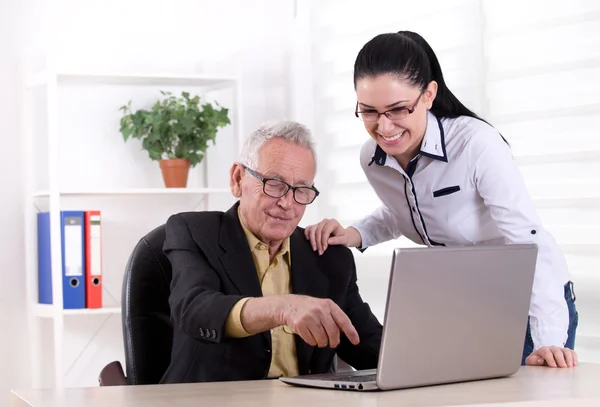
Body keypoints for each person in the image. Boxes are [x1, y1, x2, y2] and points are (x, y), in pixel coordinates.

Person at [304, 31, 578, 369]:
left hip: (525, 301)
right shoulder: (373, 158)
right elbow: (403, 210)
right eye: (369, 111)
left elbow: (529, 241)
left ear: (429, 94)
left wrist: (549, 339)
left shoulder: (476, 145)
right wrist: (355, 233)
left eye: (398, 109)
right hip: (462, 303)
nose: (384, 126)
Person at [160, 120, 382, 384]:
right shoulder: (194, 231)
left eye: (301, 190)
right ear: (238, 178)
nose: (287, 203)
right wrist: (283, 307)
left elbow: (373, 349)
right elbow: (194, 309)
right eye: (274, 184)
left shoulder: (328, 256)